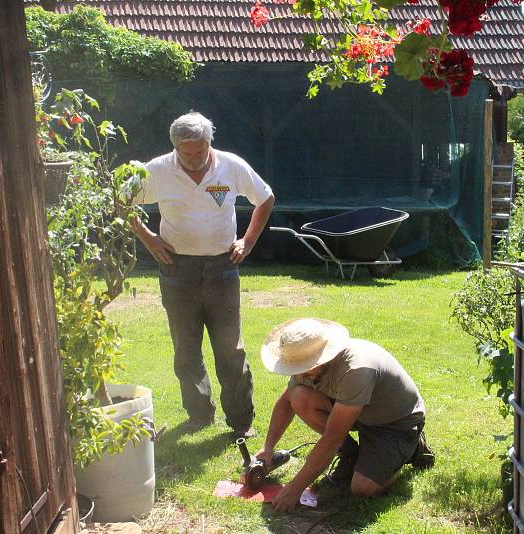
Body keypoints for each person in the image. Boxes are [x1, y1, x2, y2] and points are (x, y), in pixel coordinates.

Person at [130, 112, 275, 439]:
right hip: (177, 269)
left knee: (230, 349)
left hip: (222, 268)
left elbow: (265, 198)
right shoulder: (157, 170)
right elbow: (120, 201)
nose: (194, 160)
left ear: (210, 143)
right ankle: (199, 415)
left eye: (200, 152)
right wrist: (148, 237)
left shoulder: (230, 165)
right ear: (175, 148)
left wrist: (248, 241)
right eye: (187, 153)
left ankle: (241, 422)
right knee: (186, 348)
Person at [256, 318, 435, 512]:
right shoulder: (309, 368)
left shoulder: (356, 369)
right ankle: (351, 457)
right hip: (358, 411)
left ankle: (413, 449)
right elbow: (286, 402)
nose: (299, 372)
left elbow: (332, 438)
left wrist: (295, 488)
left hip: (395, 423)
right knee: (299, 397)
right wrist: (268, 447)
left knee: (362, 488)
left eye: (304, 366)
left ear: (322, 355)